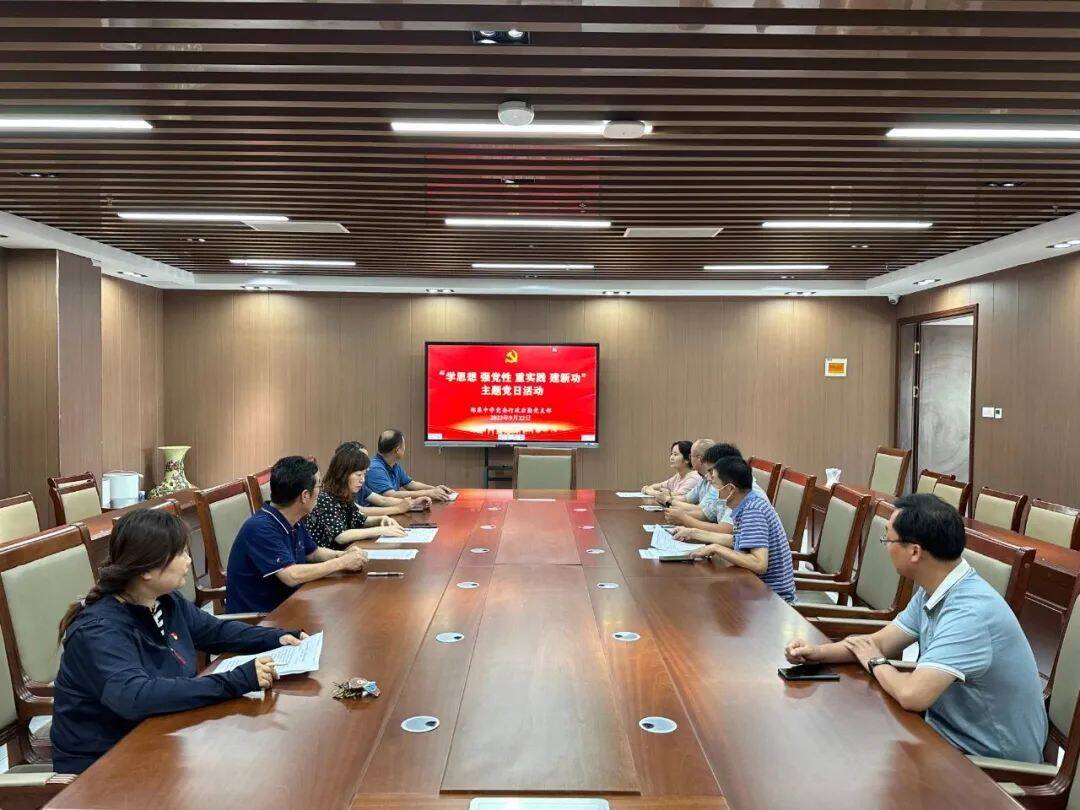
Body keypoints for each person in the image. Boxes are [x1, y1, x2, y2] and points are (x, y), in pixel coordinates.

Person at [783, 494, 1047, 763]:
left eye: (888, 540)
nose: (885, 547)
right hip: (944, 733)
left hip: (989, 759)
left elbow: (912, 695)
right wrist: (817, 653)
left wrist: (876, 662)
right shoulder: (934, 588)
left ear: (915, 552)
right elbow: (880, 643)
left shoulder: (969, 613)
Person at [51, 509, 303, 774]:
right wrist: (236, 680)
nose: (189, 559)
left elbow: (215, 631)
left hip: (164, 736)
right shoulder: (98, 630)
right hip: (104, 765)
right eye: (181, 553)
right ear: (147, 569)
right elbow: (136, 697)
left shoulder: (164, 601)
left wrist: (276, 637)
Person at [227, 455, 368, 613]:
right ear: (305, 496)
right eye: (319, 486)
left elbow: (313, 553)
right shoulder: (260, 528)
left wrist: (343, 555)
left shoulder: (292, 517)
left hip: (292, 603)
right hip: (262, 618)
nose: (321, 492)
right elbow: (291, 576)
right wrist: (341, 563)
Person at [688, 456, 796, 602]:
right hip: (756, 591)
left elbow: (759, 564)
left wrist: (716, 548)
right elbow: (737, 540)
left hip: (773, 599)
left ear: (730, 489)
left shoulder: (753, 511)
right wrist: (693, 533)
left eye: (715, 484)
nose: (713, 489)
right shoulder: (747, 503)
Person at [306, 441, 408, 548]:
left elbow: (360, 520)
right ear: (343, 474)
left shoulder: (344, 495)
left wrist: (381, 519)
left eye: (364, 474)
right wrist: (380, 530)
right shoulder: (325, 498)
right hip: (328, 556)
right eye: (359, 475)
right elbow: (340, 536)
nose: (362, 480)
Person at [668, 443, 768, 539]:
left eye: (711, 471)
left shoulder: (743, 493)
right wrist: (679, 515)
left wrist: (686, 520)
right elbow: (706, 514)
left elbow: (726, 530)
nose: (708, 477)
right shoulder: (723, 486)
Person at [359, 429, 455, 505]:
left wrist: (434, 489)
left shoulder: (393, 464)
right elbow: (390, 495)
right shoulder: (375, 468)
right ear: (397, 450)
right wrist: (427, 493)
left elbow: (411, 484)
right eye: (404, 445)